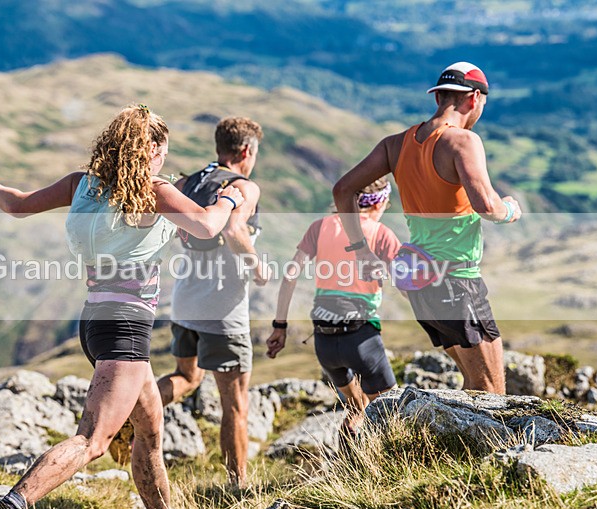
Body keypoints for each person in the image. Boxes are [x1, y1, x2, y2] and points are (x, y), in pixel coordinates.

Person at [0, 104, 245, 509]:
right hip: (125, 330)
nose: (164, 160)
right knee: (93, 441)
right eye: (162, 152)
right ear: (150, 150)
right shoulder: (154, 190)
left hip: (95, 322)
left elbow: (17, 205)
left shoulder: (82, 185)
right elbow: (208, 227)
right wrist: (228, 198)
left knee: (150, 428)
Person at [332, 62, 522, 395]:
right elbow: (486, 207)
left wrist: (360, 250)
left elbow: (343, 190)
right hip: (456, 283)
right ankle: (479, 449)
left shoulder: (395, 144)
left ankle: (448, 447)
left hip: (419, 284)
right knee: (490, 390)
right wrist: (510, 209)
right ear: (474, 98)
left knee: (472, 383)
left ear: (439, 98)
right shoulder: (463, 141)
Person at [156, 117, 266, 487]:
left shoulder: (189, 182)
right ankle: (238, 487)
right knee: (235, 403)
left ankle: (129, 412)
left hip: (185, 300)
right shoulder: (243, 187)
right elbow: (234, 229)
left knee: (187, 377)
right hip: (223, 311)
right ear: (247, 151)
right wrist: (258, 267)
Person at [265, 178, 400, 437]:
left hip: (324, 343)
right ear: (380, 202)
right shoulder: (380, 233)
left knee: (356, 410)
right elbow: (407, 286)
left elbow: (290, 275)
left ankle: (347, 469)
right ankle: (376, 473)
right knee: (390, 415)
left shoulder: (320, 226)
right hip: (362, 340)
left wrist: (280, 326)